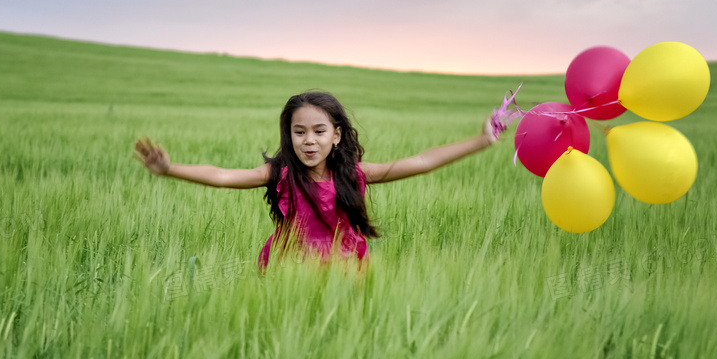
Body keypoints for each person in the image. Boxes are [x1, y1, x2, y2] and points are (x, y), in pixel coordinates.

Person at [133, 90, 499, 275]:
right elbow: (222, 175)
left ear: (336, 135)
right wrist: (170, 168)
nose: (309, 140)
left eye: (319, 131)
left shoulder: (356, 174)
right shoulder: (279, 176)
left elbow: (420, 162)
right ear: (289, 136)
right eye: (299, 132)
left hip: (345, 271)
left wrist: (481, 140)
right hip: (290, 270)